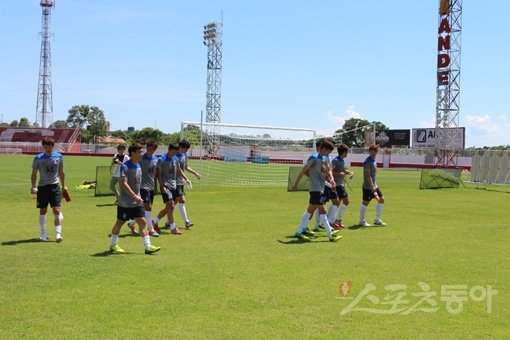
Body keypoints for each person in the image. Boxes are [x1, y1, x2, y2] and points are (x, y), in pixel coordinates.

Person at [109, 143, 161, 254]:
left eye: (142, 152)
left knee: (142, 222)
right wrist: (134, 195)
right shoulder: (125, 166)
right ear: (133, 153)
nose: (142, 153)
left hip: (137, 202)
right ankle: (113, 245)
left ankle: (148, 246)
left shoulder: (138, 165)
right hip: (125, 202)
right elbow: (123, 183)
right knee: (120, 222)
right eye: (139, 152)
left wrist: (139, 196)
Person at [294, 138, 342, 242]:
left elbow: (327, 171)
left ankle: (299, 232)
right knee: (323, 210)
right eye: (328, 151)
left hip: (320, 188)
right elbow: (303, 171)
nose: (328, 153)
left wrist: (332, 181)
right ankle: (330, 235)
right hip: (315, 189)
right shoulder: (314, 158)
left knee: (309, 211)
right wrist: (295, 184)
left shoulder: (323, 159)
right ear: (322, 148)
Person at [31, 137, 68, 242]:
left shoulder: (59, 156)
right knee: (43, 210)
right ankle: (43, 233)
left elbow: (61, 172)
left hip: (54, 186)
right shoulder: (38, 158)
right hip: (42, 187)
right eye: (45, 146)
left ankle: (58, 234)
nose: (47, 148)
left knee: (56, 210)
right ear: (43, 146)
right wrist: (33, 186)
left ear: (53, 146)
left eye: (49, 146)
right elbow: (34, 173)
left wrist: (64, 185)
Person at [154, 143, 192, 235]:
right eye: (174, 152)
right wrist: (161, 186)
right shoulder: (161, 159)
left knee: (169, 207)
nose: (175, 154)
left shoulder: (175, 159)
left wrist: (186, 179)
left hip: (174, 185)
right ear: (169, 149)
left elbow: (179, 170)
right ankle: (173, 228)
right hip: (166, 186)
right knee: (171, 206)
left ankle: (154, 222)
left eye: (176, 152)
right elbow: (158, 174)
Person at [127, 139, 160, 237]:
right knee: (148, 207)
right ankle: (151, 229)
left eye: (152, 149)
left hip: (151, 186)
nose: (149, 151)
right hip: (142, 186)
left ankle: (132, 222)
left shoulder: (156, 159)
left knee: (146, 208)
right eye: (148, 149)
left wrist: (156, 186)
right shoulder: (141, 158)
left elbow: (154, 174)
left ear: (154, 150)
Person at [175, 140, 201, 229]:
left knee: (173, 203)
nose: (186, 151)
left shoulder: (184, 155)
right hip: (174, 181)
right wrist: (187, 179)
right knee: (182, 200)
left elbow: (185, 167)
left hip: (180, 181)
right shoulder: (174, 155)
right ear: (181, 147)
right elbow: (178, 170)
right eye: (186, 149)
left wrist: (195, 173)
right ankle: (186, 221)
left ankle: (164, 221)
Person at [359, 144, 387, 227]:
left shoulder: (374, 161)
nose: (373, 153)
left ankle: (377, 220)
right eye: (371, 151)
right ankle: (361, 221)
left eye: (374, 151)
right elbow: (368, 175)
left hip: (374, 185)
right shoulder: (367, 161)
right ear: (369, 152)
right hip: (368, 187)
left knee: (381, 199)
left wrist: (375, 186)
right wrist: (372, 186)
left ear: (377, 152)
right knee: (365, 203)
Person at [331, 143, 354, 228]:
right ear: (344, 152)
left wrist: (349, 172)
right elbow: (330, 172)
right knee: (346, 201)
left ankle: (336, 221)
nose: (347, 153)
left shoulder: (342, 160)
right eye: (347, 151)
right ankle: (336, 220)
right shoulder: (335, 160)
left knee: (338, 202)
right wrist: (338, 174)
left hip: (341, 184)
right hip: (337, 185)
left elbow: (343, 170)